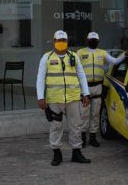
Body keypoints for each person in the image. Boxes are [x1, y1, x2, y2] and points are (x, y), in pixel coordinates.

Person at [36, 30, 91, 166]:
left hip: (73, 98)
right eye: (58, 40)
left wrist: (86, 93)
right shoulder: (46, 58)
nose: (61, 43)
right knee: (55, 126)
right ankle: (56, 154)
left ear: (67, 42)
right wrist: (40, 97)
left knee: (76, 126)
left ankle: (76, 152)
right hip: (54, 99)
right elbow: (40, 78)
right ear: (54, 41)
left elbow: (82, 75)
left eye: (63, 41)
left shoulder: (74, 57)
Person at [76, 32, 128, 147]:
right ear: (87, 41)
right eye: (91, 40)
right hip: (84, 88)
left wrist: (125, 55)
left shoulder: (102, 53)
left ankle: (93, 136)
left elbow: (115, 61)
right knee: (84, 114)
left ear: (98, 42)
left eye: (95, 40)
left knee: (95, 114)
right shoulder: (80, 53)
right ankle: (82, 137)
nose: (93, 42)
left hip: (97, 87)